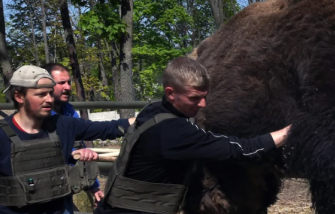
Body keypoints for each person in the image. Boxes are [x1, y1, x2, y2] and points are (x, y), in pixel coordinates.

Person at [96, 57, 291, 214]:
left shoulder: (152, 110)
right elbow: (238, 150)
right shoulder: (174, 132)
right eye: (195, 98)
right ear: (171, 93)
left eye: (205, 96)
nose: (203, 104)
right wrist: (284, 134)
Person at [0, 65, 134, 214]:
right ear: (19, 96)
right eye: (41, 94)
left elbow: (112, 128)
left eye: (50, 93)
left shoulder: (62, 125)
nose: (49, 99)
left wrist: (154, 115)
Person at [43, 63, 103, 212]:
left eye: (69, 82)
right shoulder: (39, 116)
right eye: (61, 83)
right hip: (45, 190)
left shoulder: (68, 110)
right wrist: (70, 153)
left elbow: (78, 146)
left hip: (65, 187)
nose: (68, 87)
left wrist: (94, 187)